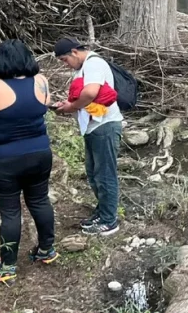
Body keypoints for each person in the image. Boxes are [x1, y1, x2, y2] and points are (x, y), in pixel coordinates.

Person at [0, 39, 59, 283]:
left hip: (0, 158)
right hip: (39, 152)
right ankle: (46, 250)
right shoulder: (41, 81)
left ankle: (8, 266)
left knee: (10, 210)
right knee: (40, 200)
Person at [54, 37, 123, 236]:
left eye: (65, 60)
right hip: (93, 127)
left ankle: (110, 221)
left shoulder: (94, 64)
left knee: (105, 174)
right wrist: (67, 105)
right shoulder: (84, 68)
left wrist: (72, 107)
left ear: (74, 52)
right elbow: (85, 97)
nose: (66, 65)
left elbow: (91, 92)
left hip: (105, 126)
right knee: (94, 173)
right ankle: (102, 212)